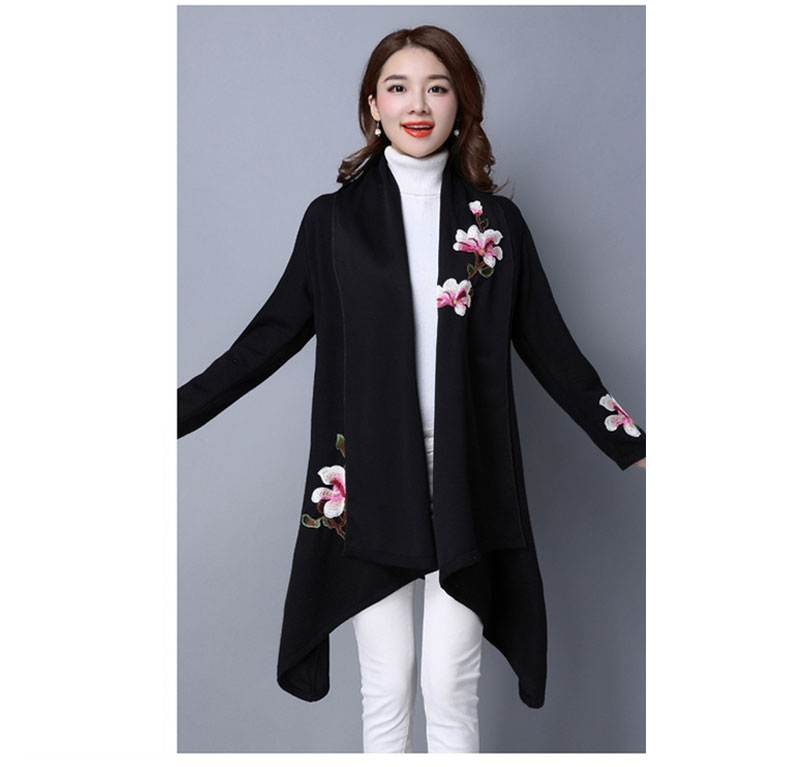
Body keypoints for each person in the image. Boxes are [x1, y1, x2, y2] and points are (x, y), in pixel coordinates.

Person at [178, 24, 646, 754]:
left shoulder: (497, 227)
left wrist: (635, 445)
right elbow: (263, 342)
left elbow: (553, 349)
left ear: (462, 105)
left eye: (437, 87)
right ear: (373, 106)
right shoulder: (333, 223)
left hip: (468, 476)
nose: (417, 104)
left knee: (450, 686)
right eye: (398, 88)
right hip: (369, 479)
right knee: (388, 684)